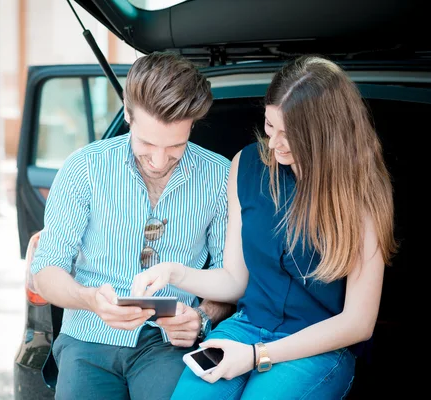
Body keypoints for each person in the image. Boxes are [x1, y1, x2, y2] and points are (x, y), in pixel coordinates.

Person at [131, 54, 398, 399]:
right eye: (271, 127)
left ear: (325, 133)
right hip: (244, 328)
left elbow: (358, 323)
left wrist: (257, 356)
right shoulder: (247, 164)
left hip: (317, 346)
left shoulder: (363, 191)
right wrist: (172, 273)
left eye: (290, 134)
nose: (273, 144)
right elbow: (235, 280)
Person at [29, 51, 234, 400]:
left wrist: (202, 317)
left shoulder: (219, 176)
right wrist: (89, 299)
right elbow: (45, 272)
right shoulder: (84, 169)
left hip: (168, 345)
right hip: (86, 338)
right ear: (127, 112)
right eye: (147, 144)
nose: (158, 161)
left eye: (175, 147)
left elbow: (231, 276)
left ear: (193, 125)